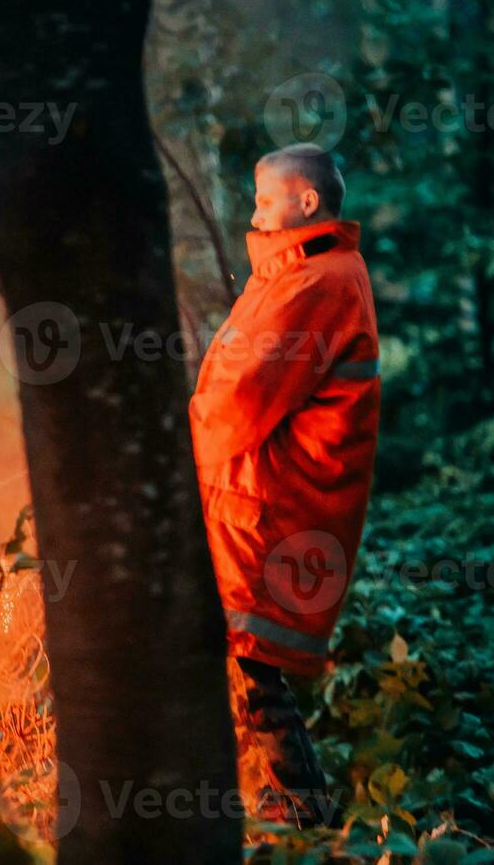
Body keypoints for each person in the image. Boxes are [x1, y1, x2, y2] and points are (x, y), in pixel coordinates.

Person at [188, 143, 380, 826]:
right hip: (251, 490)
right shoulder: (295, 271)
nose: (255, 211)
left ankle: (298, 808)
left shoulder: (318, 281)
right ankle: (272, 803)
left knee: (247, 665)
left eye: (266, 200)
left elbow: (241, 400)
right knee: (235, 660)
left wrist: (175, 456)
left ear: (305, 201)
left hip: (269, 499)